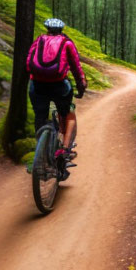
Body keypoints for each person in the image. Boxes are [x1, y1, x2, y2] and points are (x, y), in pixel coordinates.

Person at [26, 18, 87, 171]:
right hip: (59, 85)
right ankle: (65, 151)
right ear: (61, 30)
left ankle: (40, 157)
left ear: (47, 29)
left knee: (40, 117)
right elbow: (76, 67)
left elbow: (28, 63)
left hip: (37, 85)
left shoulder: (39, 40)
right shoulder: (66, 43)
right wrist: (81, 86)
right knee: (68, 113)